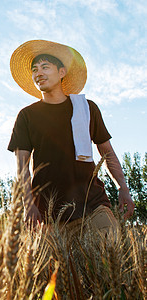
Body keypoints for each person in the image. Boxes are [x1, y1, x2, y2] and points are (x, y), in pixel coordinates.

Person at [7, 40, 134, 235]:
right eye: (34, 69)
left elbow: (107, 152)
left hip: (93, 206)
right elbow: (21, 167)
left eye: (45, 67)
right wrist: (28, 205)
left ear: (61, 72)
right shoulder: (27, 115)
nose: (38, 73)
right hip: (49, 215)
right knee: (57, 267)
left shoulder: (87, 109)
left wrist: (123, 187)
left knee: (108, 261)